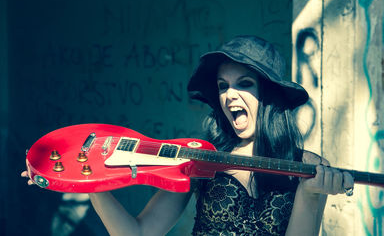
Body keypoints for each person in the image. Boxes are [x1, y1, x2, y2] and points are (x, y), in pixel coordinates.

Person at [22, 35, 354, 235]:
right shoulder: (199, 159)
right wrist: (91, 184)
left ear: (269, 95)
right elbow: (137, 233)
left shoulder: (308, 167)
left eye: (244, 84)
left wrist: (311, 196)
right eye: (223, 86)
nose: (228, 96)